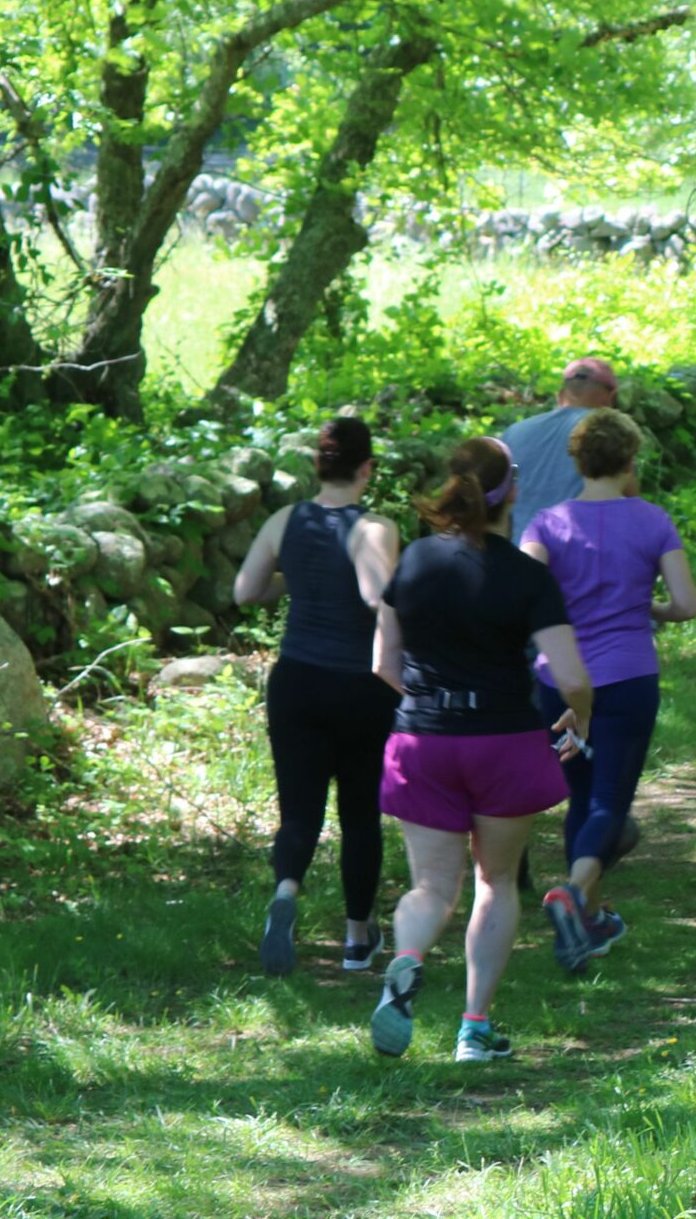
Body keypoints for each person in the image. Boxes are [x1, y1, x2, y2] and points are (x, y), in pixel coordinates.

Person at [369, 437, 594, 1063]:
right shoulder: (527, 575)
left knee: (431, 886)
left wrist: (429, 701)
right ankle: (474, 1029)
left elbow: (383, 662)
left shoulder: (414, 559)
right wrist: (581, 715)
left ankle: (407, 958)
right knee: (495, 882)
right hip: (504, 740)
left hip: (423, 740)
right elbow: (571, 676)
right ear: (511, 490)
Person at [520, 410, 696, 974]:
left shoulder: (546, 524)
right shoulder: (652, 520)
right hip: (627, 678)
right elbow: (686, 605)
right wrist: (649, 607)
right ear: (630, 461)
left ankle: (590, 923)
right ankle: (573, 895)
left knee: (581, 797)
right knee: (609, 801)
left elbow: (523, 595)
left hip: (559, 680)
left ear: (577, 460)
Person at [233, 417, 401, 976]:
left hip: (296, 681)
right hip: (358, 686)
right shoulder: (373, 527)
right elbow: (375, 594)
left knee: (298, 811)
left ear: (317, 465)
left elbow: (245, 590)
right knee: (359, 814)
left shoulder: (285, 519)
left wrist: (300, 580)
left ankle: (286, 892)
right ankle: (356, 939)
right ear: (366, 468)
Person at [501, 358, 619, 540]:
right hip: (578, 550)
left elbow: (500, 496)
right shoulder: (609, 432)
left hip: (518, 549)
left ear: (561, 394)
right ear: (611, 397)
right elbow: (628, 500)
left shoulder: (514, 432)